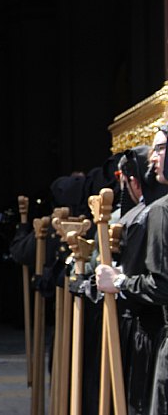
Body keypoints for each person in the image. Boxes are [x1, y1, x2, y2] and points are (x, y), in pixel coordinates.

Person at [96, 128, 168, 414]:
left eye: (161, 148)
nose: (154, 157)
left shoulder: (159, 212)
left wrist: (120, 280)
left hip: (151, 332)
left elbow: (161, 285)